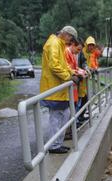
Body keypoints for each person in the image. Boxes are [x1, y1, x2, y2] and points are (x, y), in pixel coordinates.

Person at [40, 26, 80, 154]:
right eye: (71, 38)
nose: (70, 41)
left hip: (58, 88)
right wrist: (70, 76)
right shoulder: (54, 44)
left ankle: (57, 143)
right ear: (66, 34)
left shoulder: (59, 44)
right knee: (56, 117)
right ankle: (54, 145)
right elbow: (54, 66)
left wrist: (73, 72)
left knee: (65, 114)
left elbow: (62, 65)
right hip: (54, 88)